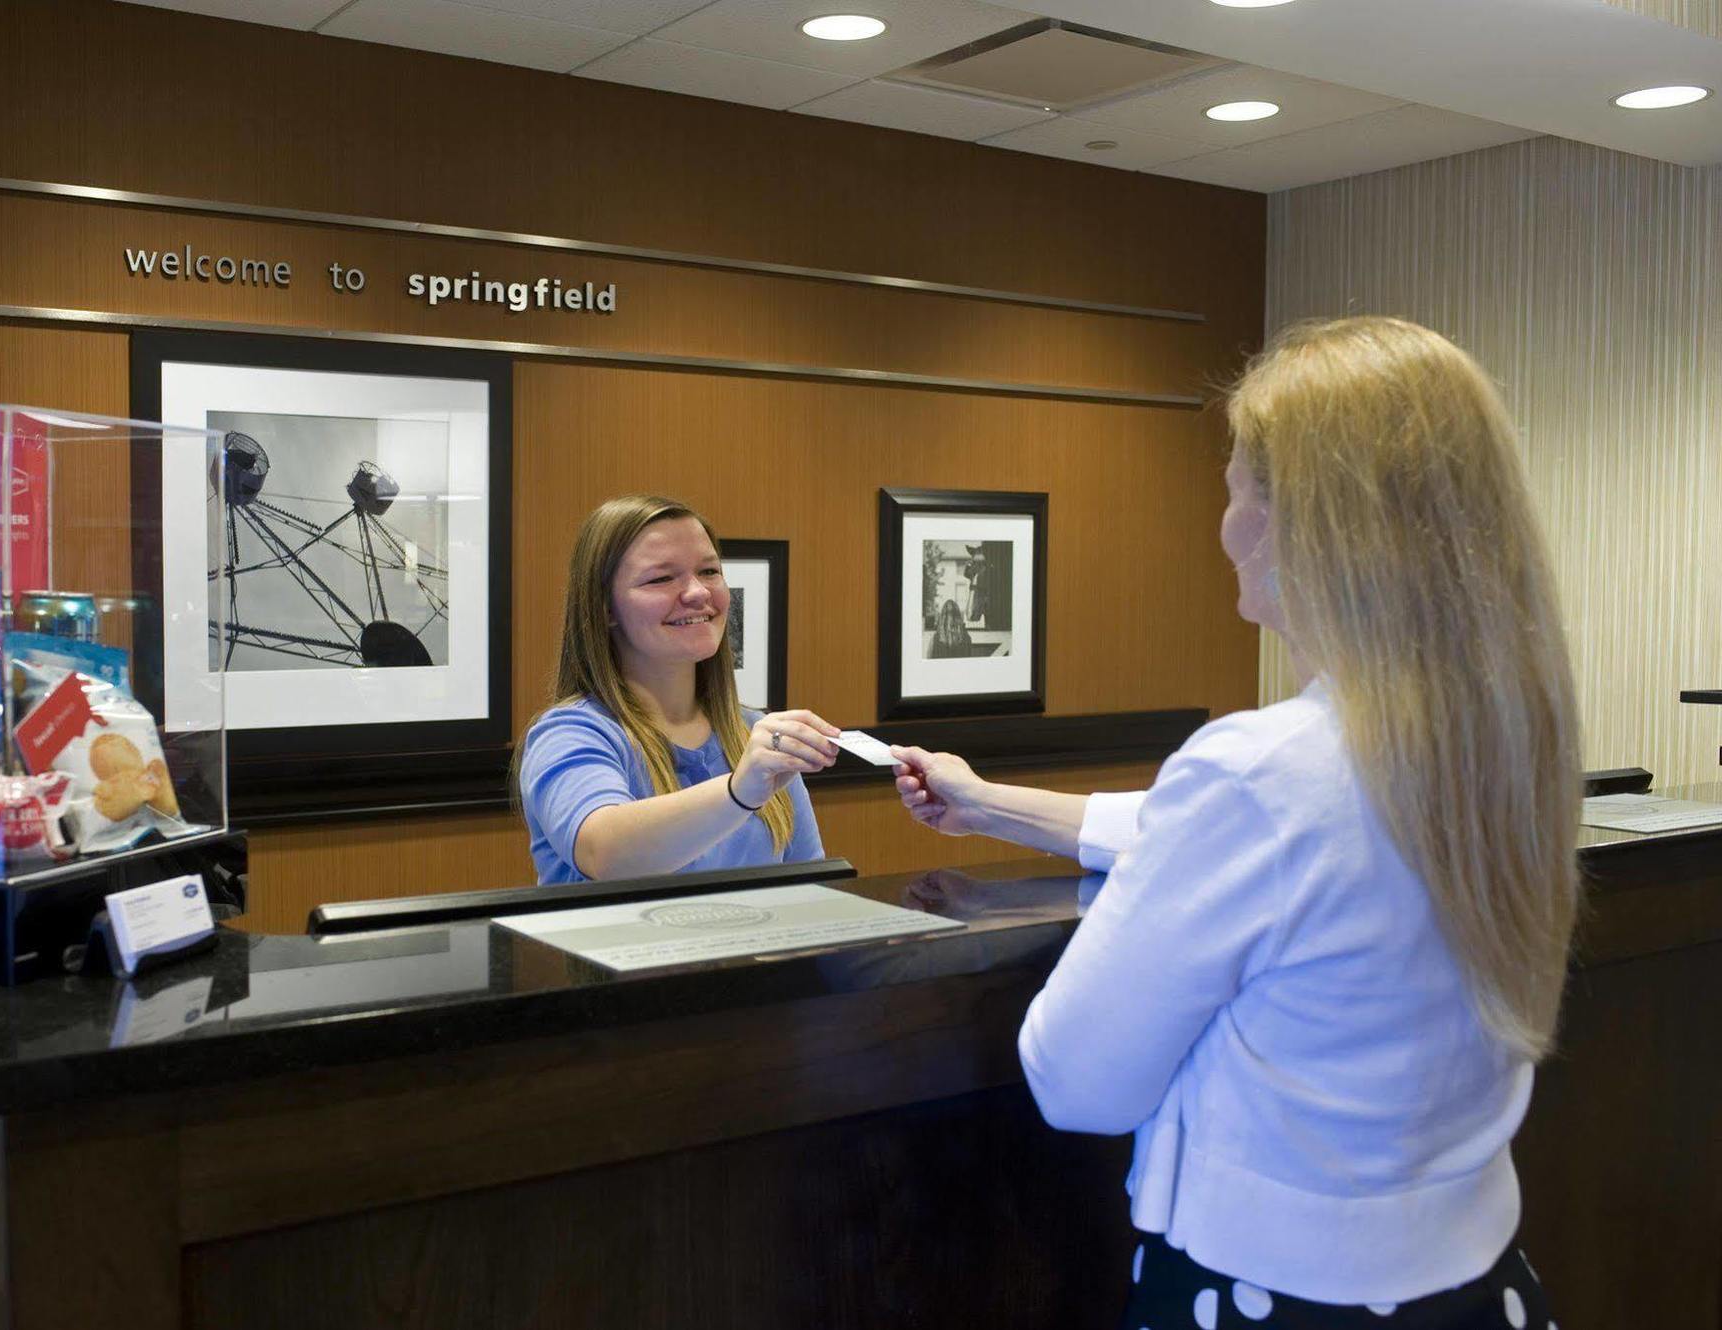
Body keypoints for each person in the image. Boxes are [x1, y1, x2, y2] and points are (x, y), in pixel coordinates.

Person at [893, 317, 1577, 1326]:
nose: (1221, 521)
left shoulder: (1257, 776)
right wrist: (989, 801)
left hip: (1267, 1298)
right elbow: (1285, 842)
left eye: (1234, 487)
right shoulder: (1509, 746)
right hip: (1474, 1286)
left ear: (1309, 522)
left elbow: (1076, 1078)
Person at [518, 495, 840, 884]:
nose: (698, 593)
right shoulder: (570, 735)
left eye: (709, 571)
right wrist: (739, 792)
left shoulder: (756, 735)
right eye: (661, 578)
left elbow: (813, 892)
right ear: (604, 608)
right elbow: (604, 854)